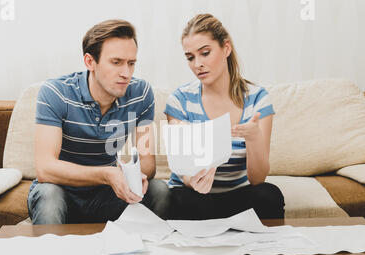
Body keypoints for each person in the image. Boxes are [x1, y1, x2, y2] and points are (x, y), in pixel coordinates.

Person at [28, 19, 170, 224]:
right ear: (89, 62)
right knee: (49, 194)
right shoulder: (56, 93)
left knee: (159, 190)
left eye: (131, 63)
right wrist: (106, 174)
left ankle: (152, 254)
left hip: (108, 196)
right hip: (62, 193)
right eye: (116, 62)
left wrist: (127, 176)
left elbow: (148, 164)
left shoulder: (141, 94)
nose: (126, 73)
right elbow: (45, 168)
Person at [164, 14, 284, 220]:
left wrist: (254, 138)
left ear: (226, 49)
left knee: (269, 195)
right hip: (194, 195)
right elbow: (182, 170)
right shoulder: (180, 100)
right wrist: (192, 179)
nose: (197, 64)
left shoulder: (257, 99)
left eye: (205, 53)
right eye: (190, 57)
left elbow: (257, 179)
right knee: (189, 202)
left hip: (237, 195)